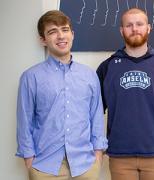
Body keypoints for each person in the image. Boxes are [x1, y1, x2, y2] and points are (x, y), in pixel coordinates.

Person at [16, 10, 107, 179]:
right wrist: (30, 162)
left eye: (64, 30)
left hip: (85, 165)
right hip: (45, 167)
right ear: (43, 39)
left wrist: (98, 156)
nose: (60, 36)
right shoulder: (31, 77)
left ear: (72, 35)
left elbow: (96, 117)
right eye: (52, 32)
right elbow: (24, 122)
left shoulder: (89, 75)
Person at [96, 8, 154, 180]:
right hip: (120, 155)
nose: (135, 29)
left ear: (148, 28)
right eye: (129, 25)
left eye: (139, 24)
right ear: (122, 30)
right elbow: (95, 113)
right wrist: (97, 149)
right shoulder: (107, 68)